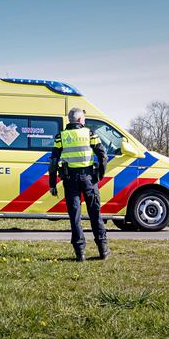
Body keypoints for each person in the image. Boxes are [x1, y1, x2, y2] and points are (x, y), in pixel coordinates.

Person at [49, 107, 109, 262]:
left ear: (70, 120)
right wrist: (99, 176)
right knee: (95, 214)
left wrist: (52, 183)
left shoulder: (60, 137)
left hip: (70, 180)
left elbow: (54, 161)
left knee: (75, 216)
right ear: (81, 120)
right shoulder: (90, 134)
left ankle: (80, 253)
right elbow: (103, 156)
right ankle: (103, 251)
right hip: (89, 179)